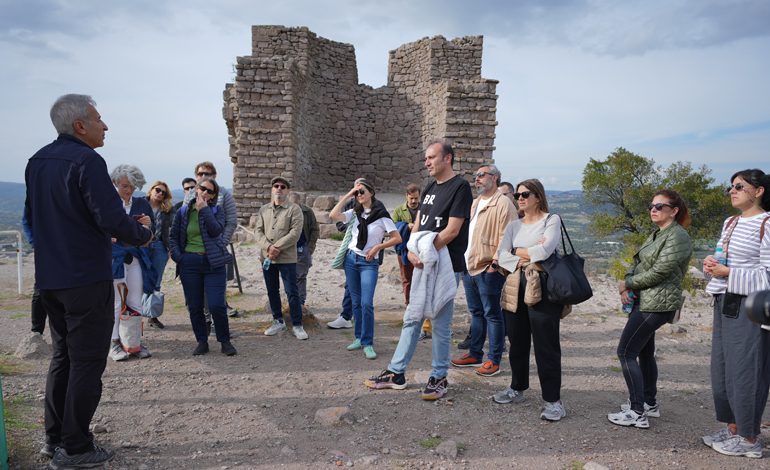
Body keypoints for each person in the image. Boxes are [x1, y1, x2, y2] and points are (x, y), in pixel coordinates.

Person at [25, 94, 151, 467]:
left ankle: (54, 438)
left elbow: (32, 219)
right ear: (80, 125)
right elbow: (111, 218)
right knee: (86, 362)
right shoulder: (88, 160)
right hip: (85, 279)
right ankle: (76, 447)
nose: (105, 125)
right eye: (99, 119)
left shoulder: (36, 162)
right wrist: (143, 234)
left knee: (62, 356)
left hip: (50, 279)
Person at [365, 139, 472, 400]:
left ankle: (439, 377)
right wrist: (412, 251)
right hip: (423, 260)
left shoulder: (461, 187)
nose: (427, 162)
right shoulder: (430, 187)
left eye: (432, 157)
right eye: (426, 158)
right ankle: (396, 373)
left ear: (447, 158)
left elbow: (453, 230)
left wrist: (424, 251)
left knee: (440, 323)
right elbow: (418, 226)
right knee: (412, 317)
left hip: (446, 263)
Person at [607, 189, 692, 429]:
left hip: (657, 304)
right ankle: (649, 403)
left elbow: (659, 272)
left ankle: (637, 411)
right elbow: (637, 262)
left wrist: (628, 283)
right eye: (652, 206)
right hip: (646, 301)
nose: (653, 210)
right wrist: (627, 285)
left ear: (674, 211)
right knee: (644, 352)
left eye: (660, 206)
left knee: (625, 352)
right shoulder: (658, 234)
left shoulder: (678, 236)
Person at [701, 169, 770, 459]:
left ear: (759, 191)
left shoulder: (767, 224)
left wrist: (729, 272)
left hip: (752, 308)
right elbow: (725, 260)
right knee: (723, 368)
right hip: (725, 301)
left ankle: (750, 438)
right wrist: (712, 264)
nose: (733, 190)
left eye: (740, 186)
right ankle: (733, 429)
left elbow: (768, 274)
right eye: (731, 186)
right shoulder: (730, 222)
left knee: (746, 370)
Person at [493, 179, 568, 421]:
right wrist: (524, 255)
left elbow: (544, 253)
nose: (520, 198)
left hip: (543, 287)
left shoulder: (551, 220)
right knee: (517, 341)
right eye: (517, 195)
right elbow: (500, 256)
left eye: (525, 194)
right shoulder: (514, 226)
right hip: (516, 284)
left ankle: (553, 401)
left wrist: (516, 253)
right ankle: (517, 388)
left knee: (546, 345)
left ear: (538, 196)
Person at [450, 165, 514, 377]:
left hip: (488, 268)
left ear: (494, 178)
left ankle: (494, 360)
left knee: (493, 315)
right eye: (475, 176)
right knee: (476, 313)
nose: (476, 179)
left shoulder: (503, 203)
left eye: (481, 175)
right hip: (470, 266)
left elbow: (510, 236)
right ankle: (475, 354)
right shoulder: (476, 203)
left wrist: (496, 265)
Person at [330, 179, 401, 359]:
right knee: (355, 303)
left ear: (371, 192)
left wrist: (377, 247)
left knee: (366, 303)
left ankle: (368, 342)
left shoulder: (381, 214)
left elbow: (396, 238)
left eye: (362, 192)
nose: (359, 195)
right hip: (351, 260)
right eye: (357, 193)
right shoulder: (354, 212)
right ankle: (359, 338)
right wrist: (348, 194)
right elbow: (333, 215)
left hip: (369, 262)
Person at [169, 177, 237, 356]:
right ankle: (202, 341)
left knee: (216, 305)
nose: (205, 193)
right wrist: (179, 257)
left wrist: (205, 210)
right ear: (196, 190)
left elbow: (216, 230)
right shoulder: (183, 212)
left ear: (214, 196)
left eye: (210, 191)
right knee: (195, 305)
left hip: (213, 263)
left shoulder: (217, 211)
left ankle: (225, 340)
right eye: (202, 189)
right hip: (189, 263)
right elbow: (173, 237)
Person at [109, 164, 155, 361]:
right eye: (124, 185)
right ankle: (113, 343)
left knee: (135, 300)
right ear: (115, 183)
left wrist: (148, 227)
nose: (129, 190)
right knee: (116, 303)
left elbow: (150, 236)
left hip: (136, 257)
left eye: (132, 186)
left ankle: (133, 341)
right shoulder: (108, 204)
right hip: (114, 258)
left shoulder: (142, 205)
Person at [256, 176, 308, 340]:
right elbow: (258, 231)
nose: (279, 189)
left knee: (292, 291)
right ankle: (278, 321)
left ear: (288, 191)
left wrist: (277, 247)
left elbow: (295, 232)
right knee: (272, 290)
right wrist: (269, 248)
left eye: (283, 187)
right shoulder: (264, 209)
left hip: (287, 259)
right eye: (276, 186)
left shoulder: (294, 209)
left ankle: (297, 324)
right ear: (272, 189)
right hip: (267, 258)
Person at [186, 162, 239, 319]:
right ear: (196, 176)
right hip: (194, 252)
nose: (204, 176)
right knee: (197, 288)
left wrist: (221, 243)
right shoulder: (190, 196)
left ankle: (217, 322)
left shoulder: (224, 195)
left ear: (214, 176)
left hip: (215, 250)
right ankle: (205, 321)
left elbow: (231, 221)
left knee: (215, 288)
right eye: (201, 174)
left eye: (207, 174)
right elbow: (183, 221)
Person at [392, 184, 433, 339]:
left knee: (425, 282)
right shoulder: (398, 211)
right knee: (407, 281)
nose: (414, 201)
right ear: (406, 196)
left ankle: (426, 319)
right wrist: (405, 226)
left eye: (416, 198)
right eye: (411, 198)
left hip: (422, 251)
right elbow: (392, 228)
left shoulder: (426, 209)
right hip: (404, 252)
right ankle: (410, 310)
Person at [327, 178, 367, 329]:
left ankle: (353, 317)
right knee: (351, 285)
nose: (360, 191)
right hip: (351, 250)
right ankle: (347, 316)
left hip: (369, 254)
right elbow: (338, 219)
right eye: (357, 188)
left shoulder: (376, 207)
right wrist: (350, 230)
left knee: (362, 287)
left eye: (363, 188)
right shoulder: (350, 205)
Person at [145, 180, 175, 329]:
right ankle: (134, 314)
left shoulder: (167, 210)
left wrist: (170, 248)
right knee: (136, 280)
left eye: (163, 192)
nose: (160, 193)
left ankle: (153, 315)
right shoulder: (140, 205)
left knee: (156, 282)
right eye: (158, 190)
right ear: (151, 190)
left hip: (159, 246)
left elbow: (172, 229)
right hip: (141, 246)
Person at [289, 192, 320, 311]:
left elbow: (315, 230)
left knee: (301, 276)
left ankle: (300, 303)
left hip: (302, 247)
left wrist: (310, 248)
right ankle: (291, 301)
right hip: (286, 249)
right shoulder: (283, 210)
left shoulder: (307, 212)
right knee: (289, 276)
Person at [21, 211, 46, 335]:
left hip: (69, 249)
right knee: (40, 289)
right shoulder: (36, 194)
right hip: (45, 250)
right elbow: (26, 221)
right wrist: (34, 242)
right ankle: (36, 331)